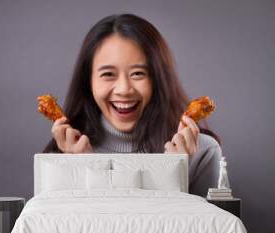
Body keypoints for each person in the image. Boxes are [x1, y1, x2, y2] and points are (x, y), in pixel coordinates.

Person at [43, 14, 222, 197]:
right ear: (88, 81)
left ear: (158, 79)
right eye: (108, 74)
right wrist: (82, 169)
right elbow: (60, 225)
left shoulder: (202, 152)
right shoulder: (64, 153)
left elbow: (211, 226)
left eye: (138, 73)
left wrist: (175, 171)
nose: (124, 89)